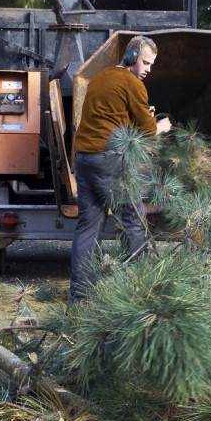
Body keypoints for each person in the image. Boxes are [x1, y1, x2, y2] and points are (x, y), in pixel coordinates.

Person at [69, 35, 171, 301]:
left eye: (151, 64)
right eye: (145, 62)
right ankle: (137, 295)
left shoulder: (101, 78)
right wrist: (161, 126)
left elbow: (110, 117)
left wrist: (138, 114)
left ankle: (80, 298)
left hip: (84, 158)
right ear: (131, 57)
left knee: (88, 228)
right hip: (111, 160)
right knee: (133, 222)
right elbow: (148, 133)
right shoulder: (133, 84)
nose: (148, 69)